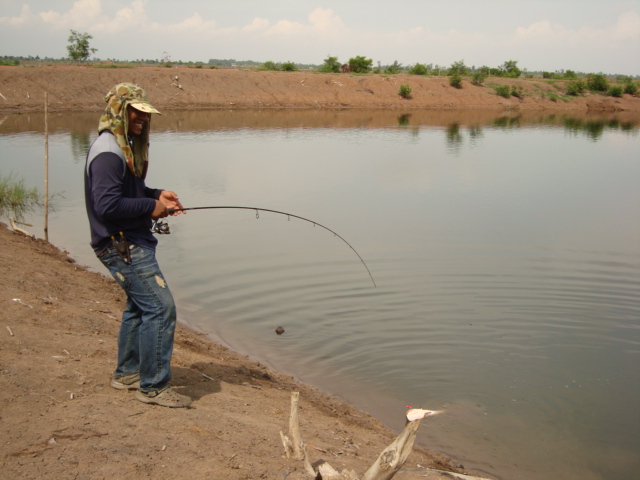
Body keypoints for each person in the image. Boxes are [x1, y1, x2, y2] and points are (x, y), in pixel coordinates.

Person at [84, 83, 191, 407]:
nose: (142, 119)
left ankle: (128, 373)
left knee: (139, 306)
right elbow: (106, 206)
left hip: (126, 241)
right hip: (120, 244)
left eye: (144, 113)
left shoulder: (121, 146)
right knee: (160, 308)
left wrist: (156, 195)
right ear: (119, 111)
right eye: (135, 112)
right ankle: (154, 386)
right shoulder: (108, 153)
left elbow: (128, 192)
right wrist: (150, 207)